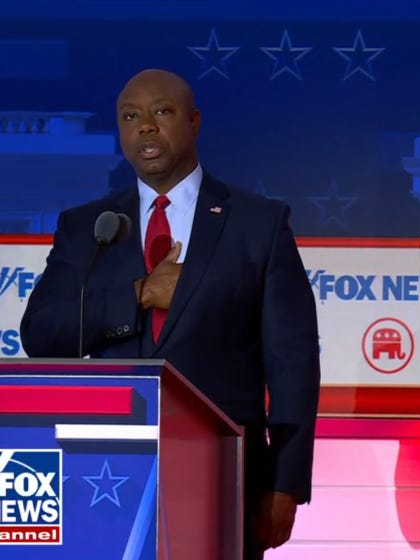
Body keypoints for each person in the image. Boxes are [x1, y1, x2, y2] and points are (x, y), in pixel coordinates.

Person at [20, 68, 320, 560]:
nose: (145, 127)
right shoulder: (87, 227)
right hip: (106, 475)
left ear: (194, 121)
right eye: (130, 117)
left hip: (226, 473)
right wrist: (138, 295)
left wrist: (286, 483)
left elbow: (293, 362)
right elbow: (41, 332)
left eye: (161, 112)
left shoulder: (257, 223)